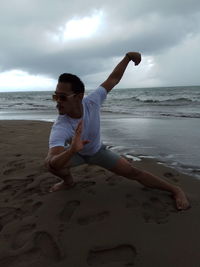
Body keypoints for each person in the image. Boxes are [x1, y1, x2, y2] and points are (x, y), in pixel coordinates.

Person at [45, 52, 190, 211]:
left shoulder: (92, 102)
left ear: (79, 97)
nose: (58, 102)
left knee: (133, 172)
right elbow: (53, 161)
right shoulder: (61, 126)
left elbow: (112, 79)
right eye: (55, 97)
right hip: (76, 153)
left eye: (63, 97)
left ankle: (175, 190)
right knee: (51, 166)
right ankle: (68, 182)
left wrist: (127, 57)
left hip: (97, 151)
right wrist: (72, 150)